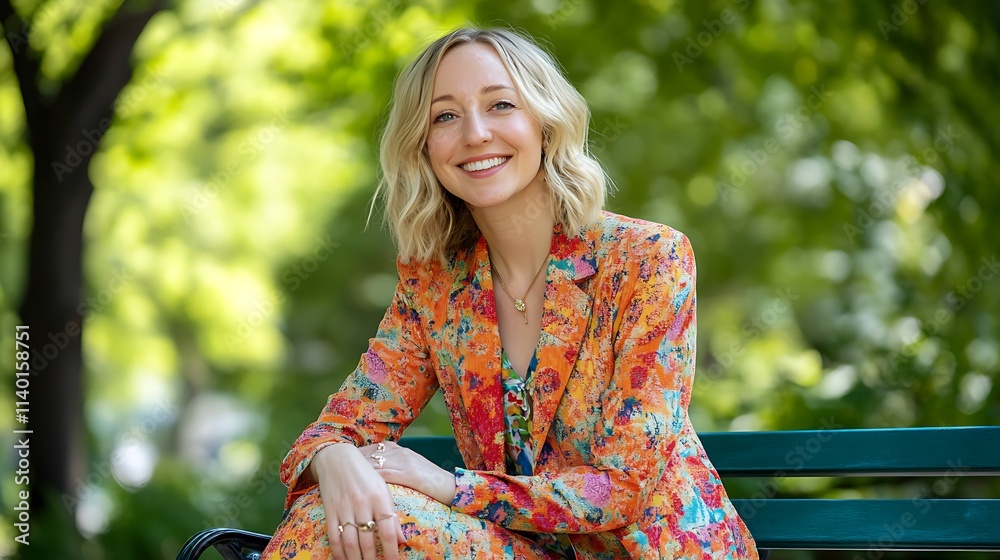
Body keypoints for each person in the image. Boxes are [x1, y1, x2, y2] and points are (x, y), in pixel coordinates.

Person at [260, 26, 760, 560]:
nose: (475, 134)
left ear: (545, 122)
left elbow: (622, 488)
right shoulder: (435, 284)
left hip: (656, 553)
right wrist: (334, 458)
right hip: (526, 552)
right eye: (445, 116)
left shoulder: (647, 258)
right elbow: (335, 430)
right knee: (326, 514)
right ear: (423, 146)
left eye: (500, 105)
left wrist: (450, 486)